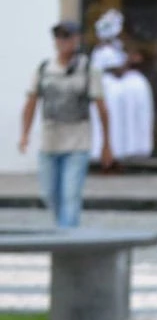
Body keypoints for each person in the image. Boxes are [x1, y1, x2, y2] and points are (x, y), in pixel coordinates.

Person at [19, 21, 113, 228]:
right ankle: (63, 229)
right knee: (50, 193)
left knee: (71, 195)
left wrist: (107, 143)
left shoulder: (88, 70)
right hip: (50, 140)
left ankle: (67, 238)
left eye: (67, 37)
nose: (62, 42)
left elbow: (102, 109)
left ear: (77, 39)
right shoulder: (45, 69)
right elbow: (31, 102)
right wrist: (24, 134)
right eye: (59, 37)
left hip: (77, 141)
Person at [89, 8, 155, 162]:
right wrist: (129, 61)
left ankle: (131, 146)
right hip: (109, 87)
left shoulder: (117, 46)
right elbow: (114, 69)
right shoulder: (103, 51)